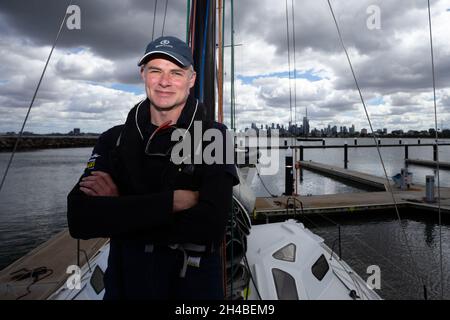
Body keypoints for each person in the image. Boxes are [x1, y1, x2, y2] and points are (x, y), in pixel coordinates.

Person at [67, 36, 238, 300]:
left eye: (176, 73)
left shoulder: (215, 137)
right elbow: (80, 218)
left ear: (191, 80)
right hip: (127, 281)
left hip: (193, 285)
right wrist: (171, 202)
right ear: (143, 74)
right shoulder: (114, 139)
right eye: (155, 70)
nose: (165, 82)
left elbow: (210, 225)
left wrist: (119, 206)